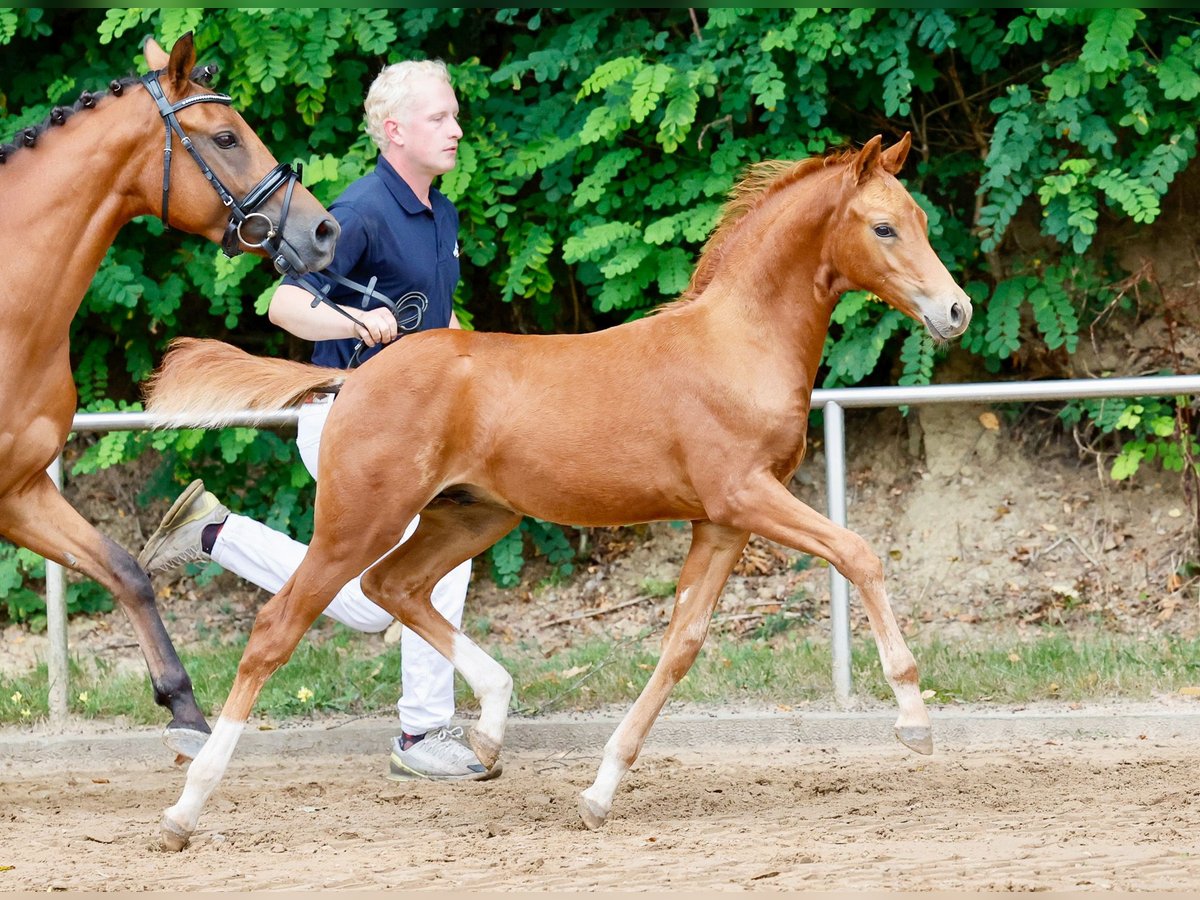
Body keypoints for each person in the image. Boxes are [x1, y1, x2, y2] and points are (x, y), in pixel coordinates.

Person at [138, 59, 494, 782]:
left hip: (418, 435)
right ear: (395, 132)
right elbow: (282, 305)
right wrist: (358, 318)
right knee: (409, 582)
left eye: (454, 116)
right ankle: (421, 736)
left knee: (415, 579)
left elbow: (439, 321)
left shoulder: (441, 212)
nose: (456, 130)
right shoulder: (361, 210)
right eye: (439, 118)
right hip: (349, 424)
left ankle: (215, 531)